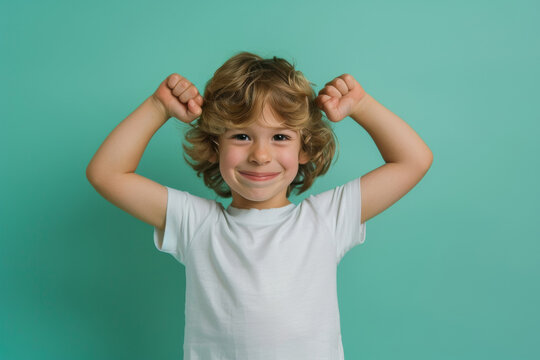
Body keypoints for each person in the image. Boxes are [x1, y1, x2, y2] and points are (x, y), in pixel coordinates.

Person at [86, 51, 433, 359]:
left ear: (305, 148)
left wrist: (362, 105)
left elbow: (413, 160)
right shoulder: (195, 223)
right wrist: (157, 107)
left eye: (280, 137)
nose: (260, 155)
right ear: (214, 146)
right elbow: (106, 173)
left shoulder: (327, 219)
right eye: (241, 135)